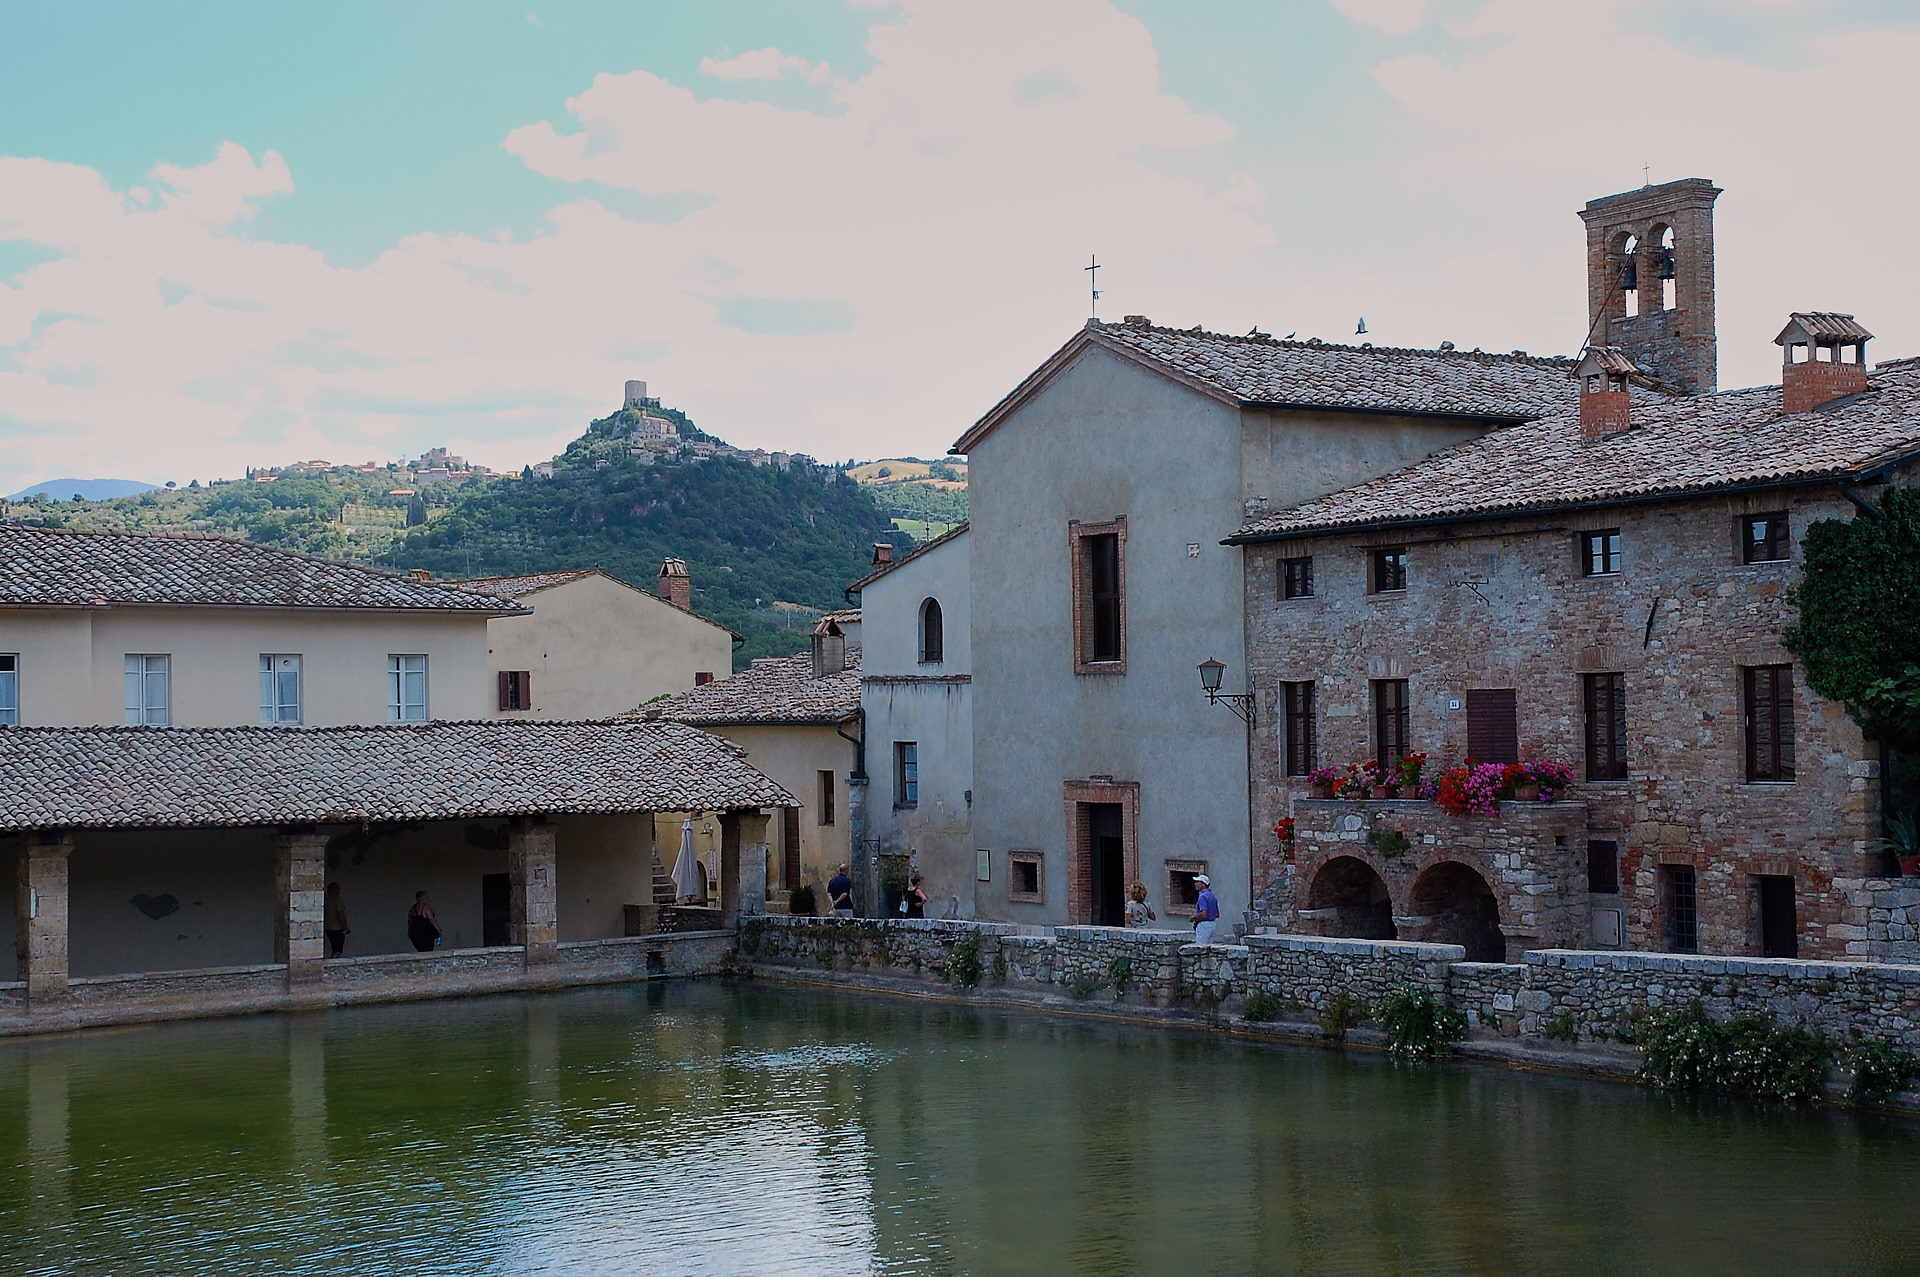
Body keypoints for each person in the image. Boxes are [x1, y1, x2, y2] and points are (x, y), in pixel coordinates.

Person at [1191, 873, 1221, 944]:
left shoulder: (1202, 896)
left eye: (1197, 882)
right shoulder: (1212, 895)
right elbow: (1217, 914)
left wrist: (1194, 918)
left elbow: (1204, 914)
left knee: (1200, 947)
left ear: (1203, 884)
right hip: (1212, 924)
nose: (1195, 884)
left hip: (1204, 925)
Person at [324, 881, 350, 958]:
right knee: (338, 950)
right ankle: (332, 963)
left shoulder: (326, 900)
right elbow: (340, 913)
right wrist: (345, 926)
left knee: (334, 948)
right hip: (337, 928)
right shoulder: (337, 900)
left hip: (328, 927)